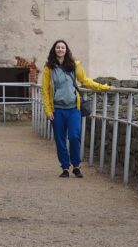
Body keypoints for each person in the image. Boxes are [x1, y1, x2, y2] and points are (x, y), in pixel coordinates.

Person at [41, 39, 112, 178]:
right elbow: (45, 90)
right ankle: (65, 167)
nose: (60, 49)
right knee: (60, 139)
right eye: (58, 47)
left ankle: (77, 165)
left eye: (63, 47)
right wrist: (48, 111)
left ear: (66, 50)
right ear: (54, 50)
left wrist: (105, 87)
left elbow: (85, 81)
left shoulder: (74, 65)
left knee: (74, 136)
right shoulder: (48, 68)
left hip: (74, 108)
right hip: (57, 110)